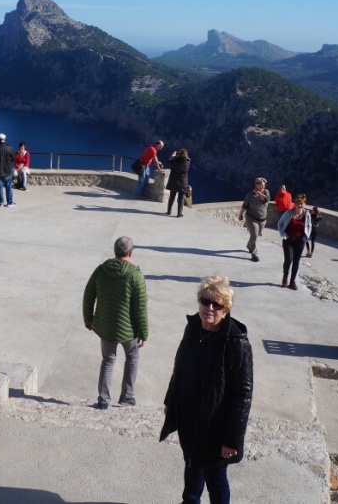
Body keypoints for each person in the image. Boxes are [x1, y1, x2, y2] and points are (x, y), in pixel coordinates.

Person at [160, 275, 253, 504]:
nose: (209, 308)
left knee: (215, 477)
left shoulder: (236, 342)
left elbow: (243, 395)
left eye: (216, 304)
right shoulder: (193, 327)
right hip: (189, 419)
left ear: (225, 309)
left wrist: (232, 438)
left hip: (215, 426)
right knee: (192, 464)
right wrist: (170, 401)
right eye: (205, 301)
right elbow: (179, 368)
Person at [82, 236, 148, 410]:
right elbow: (140, 308)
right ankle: (127, 396)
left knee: (108, 360)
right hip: (129, 330)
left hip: (106, 326)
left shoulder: (101, 270)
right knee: (132, 358)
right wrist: (143, 332)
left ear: (115, 251)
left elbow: (88, 295)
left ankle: (103, 399)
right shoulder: (135, 275)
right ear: (130, 253)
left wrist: (88, 319)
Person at [278, 194, 312, 289]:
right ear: (294, 204)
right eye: (298, 203)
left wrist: (305, 238)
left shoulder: (307, 215)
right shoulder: (288, 213)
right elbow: (280, 223)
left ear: (304, 204)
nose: (300, 205)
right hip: (288, 240)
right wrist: (283, 234)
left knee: (296, 261)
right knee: (288, 260)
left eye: (302, 203)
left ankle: (292, 282)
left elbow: (309, 226)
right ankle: (285, 278)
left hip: (300, 241)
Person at [238, 177, 271, 262]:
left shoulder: (266, 192)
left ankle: (249, 245)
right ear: (256, 185)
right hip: (251, 218)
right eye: (260, 185)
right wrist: (240, 214)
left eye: (263, 185)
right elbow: (245, 205)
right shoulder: (250, 194)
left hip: (262, 219)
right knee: (254, 235)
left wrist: (257, 192)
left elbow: (266, 199)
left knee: (256, 235)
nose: (262, 186)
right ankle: (254, 254)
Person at [166, 149, 191, 217]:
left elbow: (168, 161)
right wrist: (187, 158)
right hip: (183, 182)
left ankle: (169, 211)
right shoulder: (187, 163)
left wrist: (173, 155)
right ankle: (179, 213)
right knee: (181, 198)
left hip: (174, 181)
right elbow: (188, 161)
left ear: (179, 154)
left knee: (172, 197)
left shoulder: (175, 161)